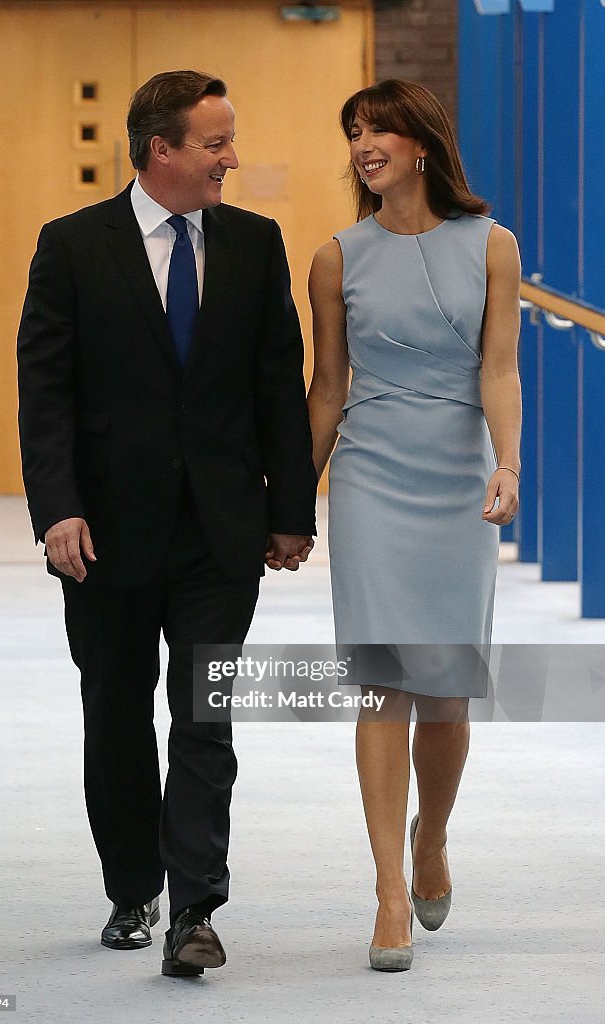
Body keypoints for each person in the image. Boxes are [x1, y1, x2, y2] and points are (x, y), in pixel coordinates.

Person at [17, 70, 316, 977]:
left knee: (203, 715)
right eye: (217, 143)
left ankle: (195, 906)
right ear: (162, 151)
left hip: (219, 533)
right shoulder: (72, 245)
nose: (233, 158)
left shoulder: (255, 243)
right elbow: (46, 392)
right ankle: (129, 889)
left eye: (230, 140)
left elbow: (277, 384)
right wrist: (57, 507)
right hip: (103, 533)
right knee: (114, 712)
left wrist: (291, 510)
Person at [307, 79, 521, 971]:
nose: (364, 141)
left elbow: (499, 370)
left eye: (379, 127)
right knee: (380, 684)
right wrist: (291, 502)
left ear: (421, 144)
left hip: (458, 482)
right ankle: (390, 890)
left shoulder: (493, 246)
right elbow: (326, 389)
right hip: (370, 480)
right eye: (354, 129)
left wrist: (507, 464)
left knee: (445, 693)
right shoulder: (334, 257)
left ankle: (433, 833)